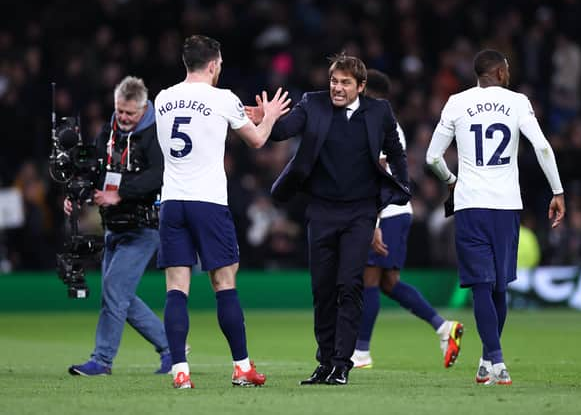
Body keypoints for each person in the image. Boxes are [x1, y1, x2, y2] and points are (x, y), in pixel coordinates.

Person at [246, 54, 411, 385]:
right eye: (334, 81)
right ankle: (324, 362)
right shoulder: (313, 104)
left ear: (361, 87)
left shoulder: (379, 112)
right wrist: (266, 120)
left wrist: (399, 188)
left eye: (345, 83)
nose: (337, 88)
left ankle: (341, 363)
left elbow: (396, 152)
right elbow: (282, 132)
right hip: (321, 210)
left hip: (360, 212)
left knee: (348, 284)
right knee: (322, 288)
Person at [154, 35, 290, 389]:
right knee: (224, 282)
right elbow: (258, 140)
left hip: (171, 201)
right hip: (209, 202)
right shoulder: (223, 98)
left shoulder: (163, 98)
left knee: (176, 288)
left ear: (187, 63)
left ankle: (180, 371)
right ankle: (242, 367)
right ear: (213, 65)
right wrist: (270, 116)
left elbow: (195, 122)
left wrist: (239, 112)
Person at [426, 49, 565, 385]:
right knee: (498, 287)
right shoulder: (518, 102)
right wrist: (557, 191)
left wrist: (451, 180)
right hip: (506, 205)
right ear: (502, 73)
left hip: (470, 203)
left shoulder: (457, 102)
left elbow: (432, 157)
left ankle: (492, 360)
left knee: (481, 287)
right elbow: (543, 147)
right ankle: (494, 361)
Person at [350, 70, 463, 370]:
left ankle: (361, 352)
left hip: (387, 213)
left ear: (367, 93)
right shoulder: (384, 123)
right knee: (389, 282)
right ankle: (443, 327)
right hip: (395, 212)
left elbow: (379, 175)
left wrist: (372, 219)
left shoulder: (380, 123)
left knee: (370, 278)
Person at [67, 76, 172, 376]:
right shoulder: (108, 131)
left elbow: (159, 175)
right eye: (119, 111)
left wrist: (120, 193)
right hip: (113, 225)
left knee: (114, 290)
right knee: (117, 294)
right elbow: (95, 171)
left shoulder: (155, 134)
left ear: (143, 109)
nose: (123, 118)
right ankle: (171, 348)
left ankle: (102, 360)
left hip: (143, 227)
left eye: (129, 113)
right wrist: (78, 196)